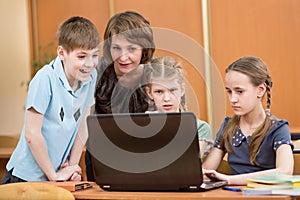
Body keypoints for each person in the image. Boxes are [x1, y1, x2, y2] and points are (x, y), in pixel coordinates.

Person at [1, 16, 100, 183]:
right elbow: (32, 134)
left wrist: (71, 167)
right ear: (62, 53)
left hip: (54, 176)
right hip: (25, 177)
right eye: (82, 57)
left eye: (94, 55)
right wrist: (54, 176)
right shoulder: (44, 79)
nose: (89, 64)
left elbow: (83, 125)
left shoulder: (90, 77)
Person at [85, 10, 155, 181]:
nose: (123, 57)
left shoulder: (156, 75)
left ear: (144, 49)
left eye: (132, 48)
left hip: (147, 157)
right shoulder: (95, 72)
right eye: (116, 48)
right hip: (101, 158)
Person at [202, 56, 294, 185]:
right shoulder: (228, 126)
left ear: (260, 90)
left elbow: (285, 171)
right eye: (229, 91)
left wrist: (229, 180)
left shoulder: (278, 128)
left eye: (240, 91)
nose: (232, 99)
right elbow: (206, 171)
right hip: (233, 195)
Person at [143, 56, 213, 158]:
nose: (167, 98)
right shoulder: (142, 125)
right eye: (159, 91)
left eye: (172, 90)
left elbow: (188, 163)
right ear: (149, 93)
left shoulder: (200, 127)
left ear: (182, 90)